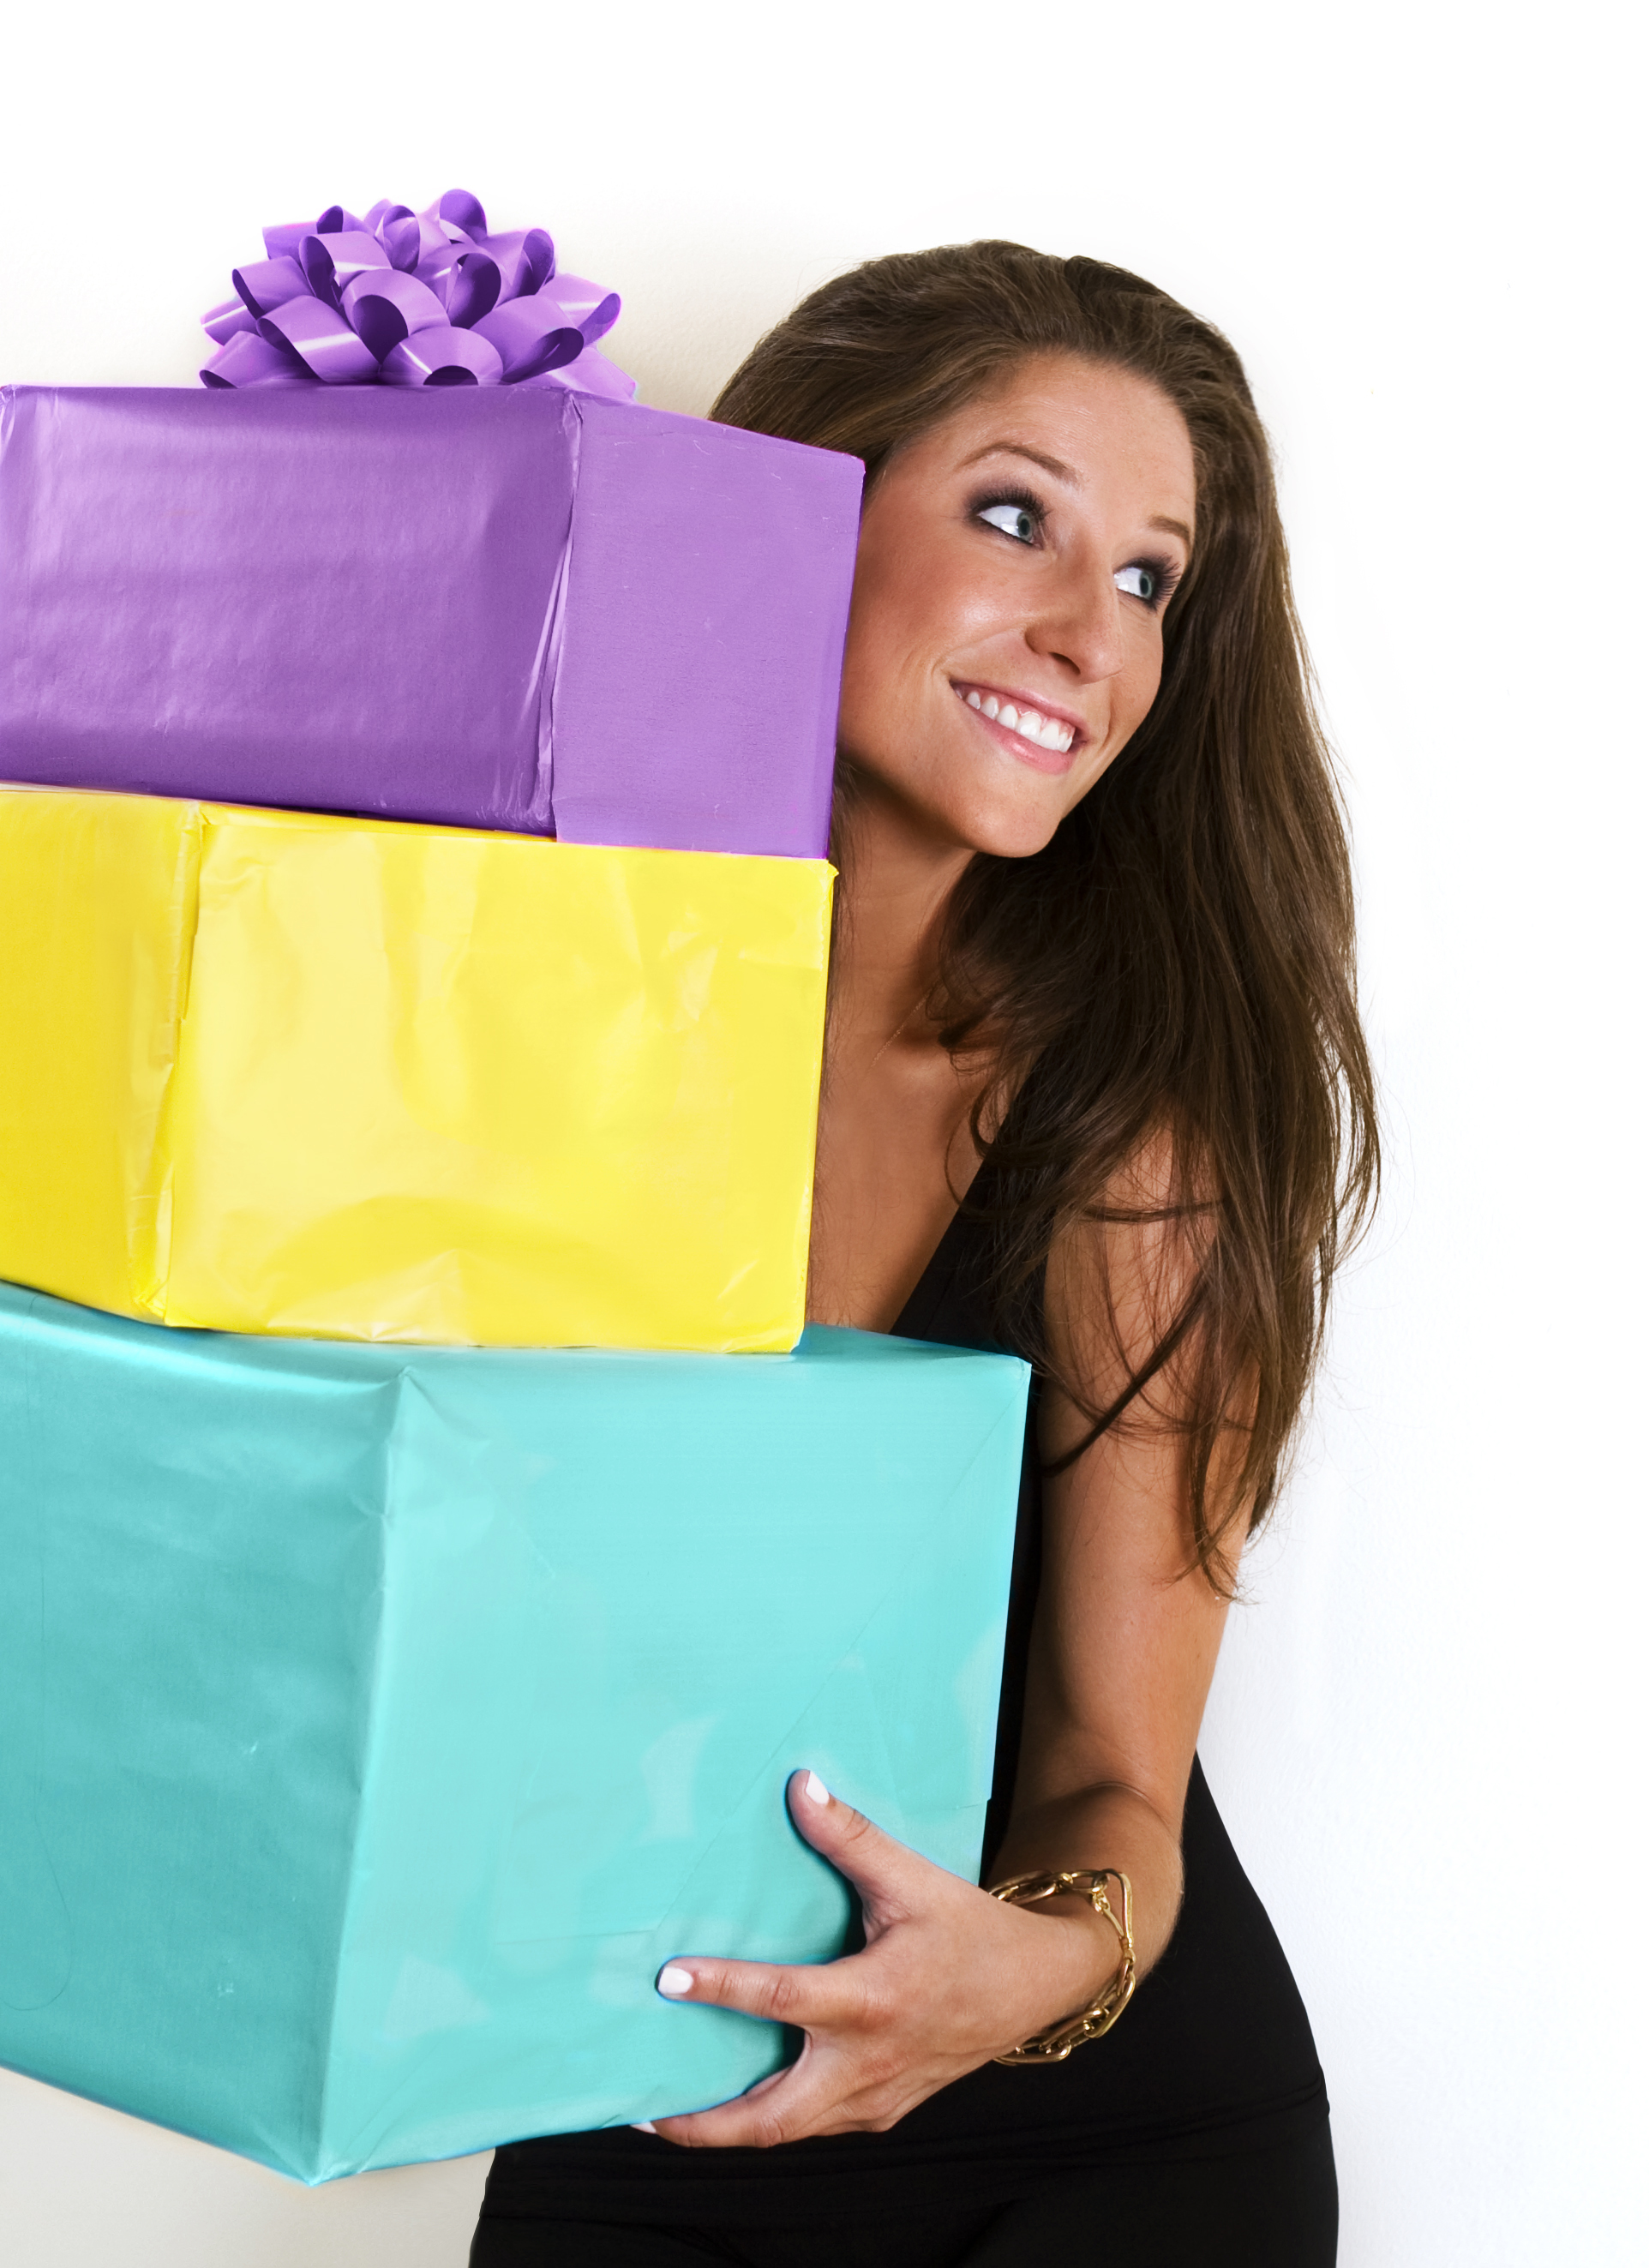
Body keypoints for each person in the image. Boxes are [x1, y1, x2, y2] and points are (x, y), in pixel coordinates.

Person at [471, 241, 1376, 2266]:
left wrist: (1028, 1969)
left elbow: (1113, 1785)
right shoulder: (530, 1027)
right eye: (1013, 518)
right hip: (633, 2088)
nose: (1087, 635)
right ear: (791, 511)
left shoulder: (1124, 1120)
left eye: (1147, 579)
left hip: (1092, 2152)